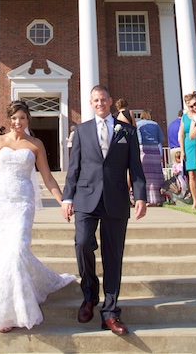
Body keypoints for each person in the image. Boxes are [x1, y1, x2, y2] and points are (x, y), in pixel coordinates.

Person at [0, 100, 75, 333]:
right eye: (14, 118)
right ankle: (5, 313)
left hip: (23, 202)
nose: (18, 122)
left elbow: (48, 178)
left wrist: (63, 200)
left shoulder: (35, 144)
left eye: (22, 118)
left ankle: (13, 309)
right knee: (2, 252)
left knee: (17, 250)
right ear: (9, 119)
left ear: (28, 119)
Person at [62, 85, 146, 336]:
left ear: (110, 101)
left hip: (116, 198)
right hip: (86, 198)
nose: (99, 103)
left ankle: (110, 311)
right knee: (83, 243)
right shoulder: (82, 130)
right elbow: (74, 168)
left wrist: (139, 196)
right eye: (95, 100)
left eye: (103, 99)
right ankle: (89, 296)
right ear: (90, 103)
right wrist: (67, 198)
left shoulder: (127, 131)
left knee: (113, 255)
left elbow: (135, 168)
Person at [136, 109, 165, 206]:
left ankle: (146, 198)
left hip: (144, 149)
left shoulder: (139, 124)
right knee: (156, 175)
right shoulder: (155, 124)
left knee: (145, 175)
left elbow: (138, 139)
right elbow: (161, 138)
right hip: (155, 150)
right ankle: (158, 198)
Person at [179, 93, 196, 210]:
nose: (190, 106)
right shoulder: (185, 117)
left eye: (191, 104)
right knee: (191, 174)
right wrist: (182, 151)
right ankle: (195, 200)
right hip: (189, 146)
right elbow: (182, 134)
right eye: (187, 104)